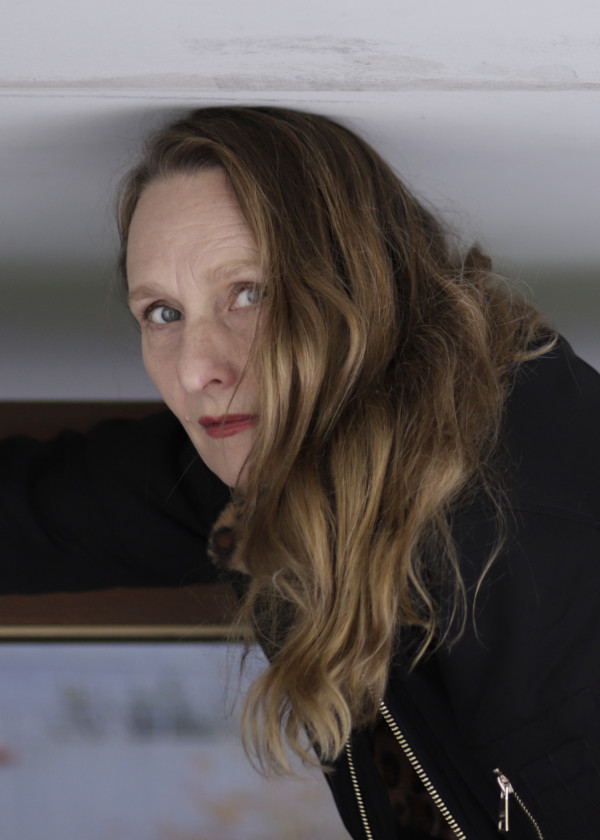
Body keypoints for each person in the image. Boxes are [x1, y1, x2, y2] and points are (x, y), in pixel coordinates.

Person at [1, 106, 599, 839]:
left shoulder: (532, 511)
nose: (194, 370)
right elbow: (30, 519)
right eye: (162, 313)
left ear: (361, 287)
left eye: (248, 294)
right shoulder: (273, 466)